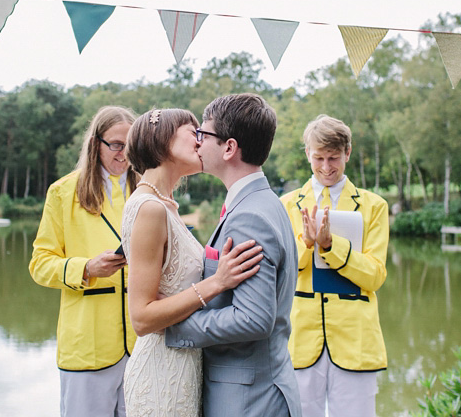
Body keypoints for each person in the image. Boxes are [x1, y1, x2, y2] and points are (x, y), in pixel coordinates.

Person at [165, 93, 303, 417]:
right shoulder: (262, 203)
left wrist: (174, 325)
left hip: (248, 400)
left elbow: (252, 319)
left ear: (228, 148)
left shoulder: (250, 216)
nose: (197, 142)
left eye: (204, 134)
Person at [120, 107, 264, 417]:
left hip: (185, 364)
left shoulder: (165, 205)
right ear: (163, 139)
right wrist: (217, 282)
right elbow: (142, 318)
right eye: (193, 132)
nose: (201, 142)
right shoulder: (150, 208)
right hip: (161, 376)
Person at [29, 106, 139, 417]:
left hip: (141, 345)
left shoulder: (146, 191)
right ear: (96, 144)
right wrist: (86, 269)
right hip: (87, 346)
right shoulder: (63, 193)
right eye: (116, 145)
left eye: (130, 146)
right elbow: (40, 264)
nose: (124, 154)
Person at [280, 115, 389, 417]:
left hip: (357, 340)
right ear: (307, 154)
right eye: (319, 158)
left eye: (334, 158)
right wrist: (308, 242)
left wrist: (331, 247)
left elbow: (375, 275)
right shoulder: (286, 205)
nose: (326, 167)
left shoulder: (374, 206)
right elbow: (282, 271)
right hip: (300, 338)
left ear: (348, 153)